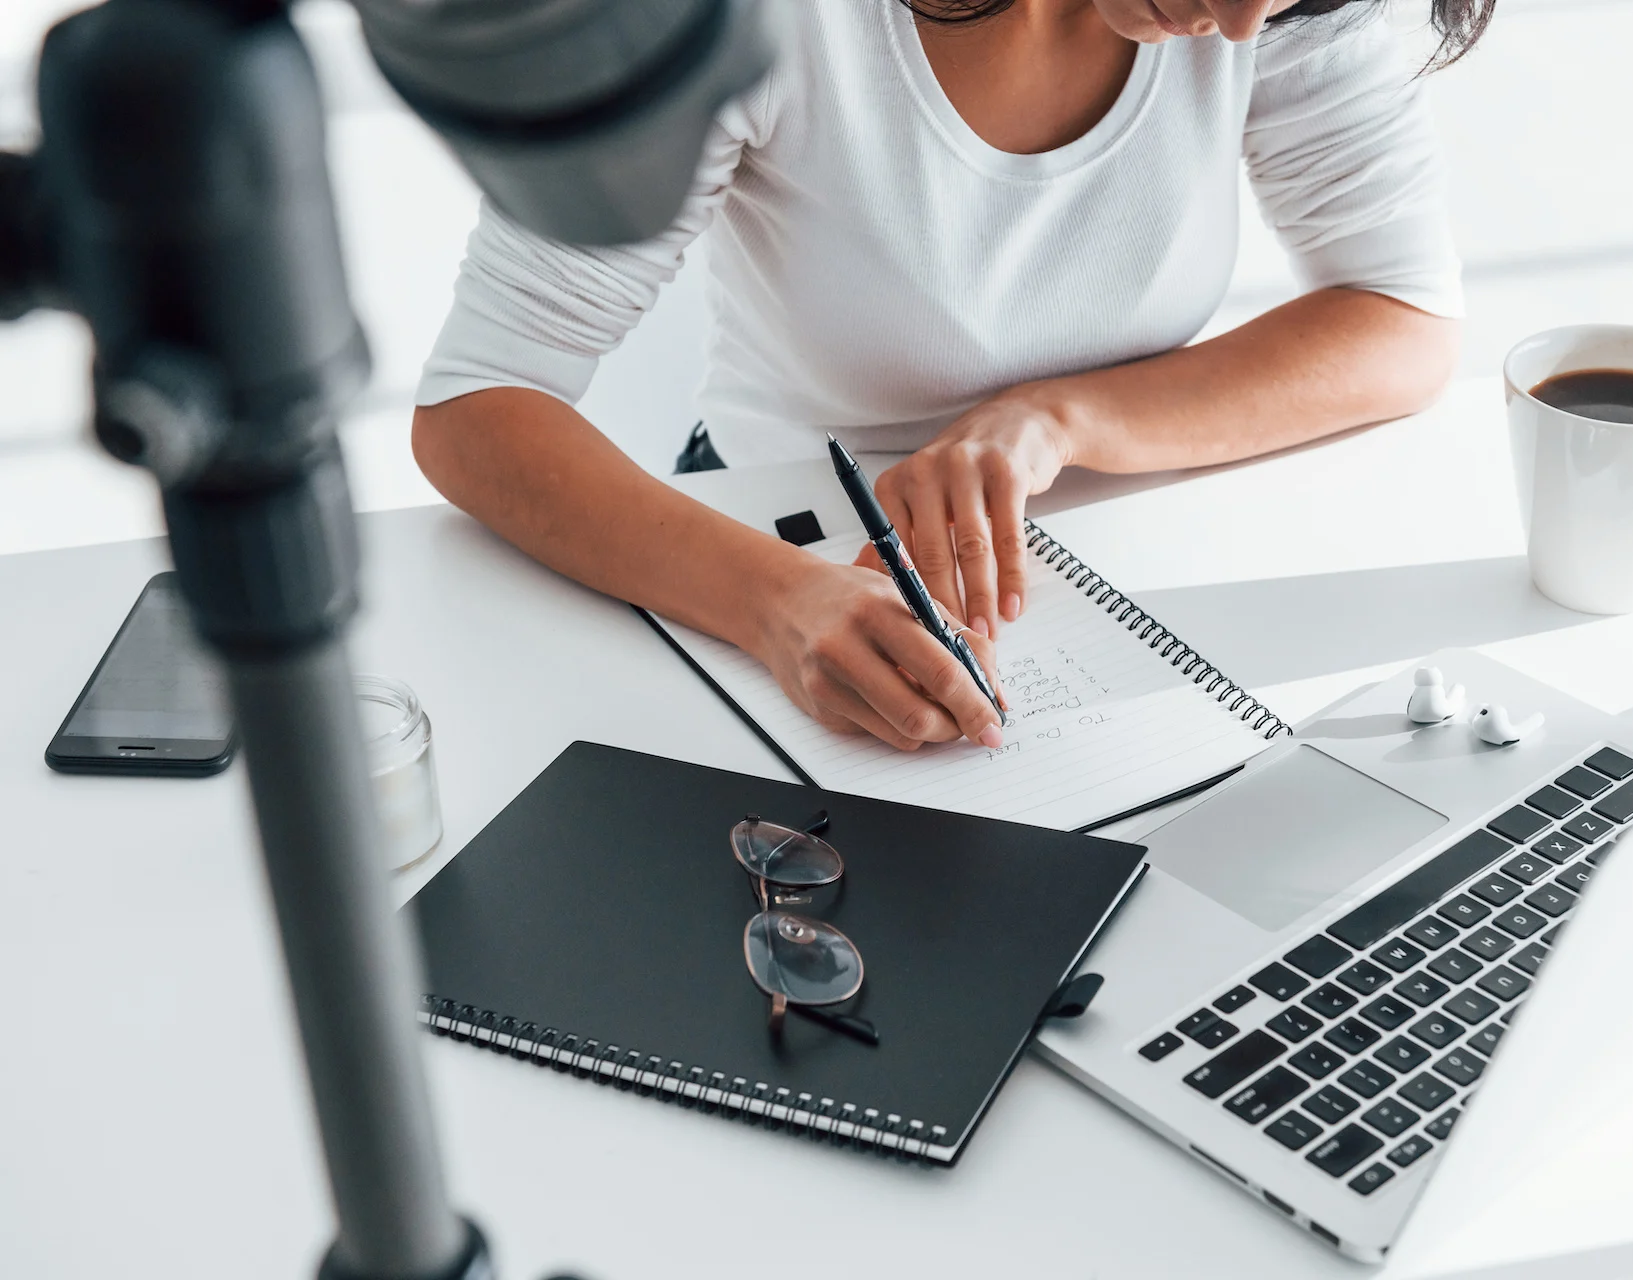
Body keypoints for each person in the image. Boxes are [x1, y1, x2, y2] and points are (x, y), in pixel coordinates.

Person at [413, 0, 1487, 755]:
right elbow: (473, 406)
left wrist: (1055, 419)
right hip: (783, 553)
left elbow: (1403, 315)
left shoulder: (1273, 7)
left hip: (1123, 591)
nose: (1250, 25)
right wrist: (776, 605)